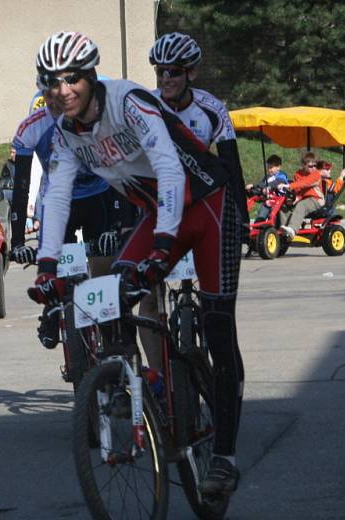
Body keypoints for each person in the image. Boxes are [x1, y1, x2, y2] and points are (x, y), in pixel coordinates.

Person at [28, 31, 245, 496]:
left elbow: (168, 167)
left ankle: (225, 456)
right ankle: (150, 388)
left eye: (71, 80)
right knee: (114, 290)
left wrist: (164, 243)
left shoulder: (128, 101)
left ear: (89, 77)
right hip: (157, 213)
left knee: (218, 325)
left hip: (208, 204)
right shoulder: (65, 130)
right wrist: (46, 265)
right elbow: (58, 194)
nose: (61, 90)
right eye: (51, 82)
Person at [139, 31, 248, 391]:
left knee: (220, 317)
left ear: (191, 74)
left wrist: (242, 221)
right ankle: (158, 379)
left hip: (207, 209)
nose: (165, 79)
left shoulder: (212, 109)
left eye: (173, 71)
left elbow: (231, 170)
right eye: (160, 72)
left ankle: (226, 385)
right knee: (144, 299)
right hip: (162, 209)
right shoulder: (146, 107)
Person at [8, 77, 123, 348]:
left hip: (98, 195)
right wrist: (17, 242)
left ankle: (110, 335)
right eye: (47, 95)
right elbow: (21, 188)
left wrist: (116, 225)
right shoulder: (32, 128)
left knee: (102, 266)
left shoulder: (94, 118)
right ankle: (51, 312)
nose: (54, 100)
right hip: (58, 202)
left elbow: (118, 171)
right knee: (52, 263)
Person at [277, 151, 324, 239]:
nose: (313, 168)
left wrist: (288, 186)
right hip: (303, 199)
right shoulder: (297, 174)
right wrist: (296, 197)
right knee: (284, 206)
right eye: (310, 166)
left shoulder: (316, 174)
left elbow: (305, 183)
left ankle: (292, 229)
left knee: (301, 205)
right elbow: (298, 189)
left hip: (316, 199)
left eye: (315, 165)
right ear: (303, 164)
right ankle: (284, 230)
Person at [247, 154, 290, 222]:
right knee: (258, 202)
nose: (269, 170)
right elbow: (261, 184)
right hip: (269, 199)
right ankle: (257, 223)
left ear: (278, 167)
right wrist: (253, 186)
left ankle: (262, 222)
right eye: (268, 167)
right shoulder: (268, 177)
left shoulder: (281, 176)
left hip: (281, 201)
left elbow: (275, 183)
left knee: (269, 205)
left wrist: (268, 187)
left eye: (271, 168)